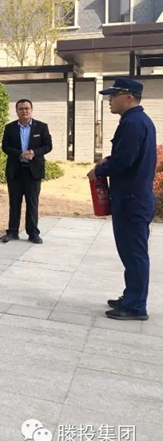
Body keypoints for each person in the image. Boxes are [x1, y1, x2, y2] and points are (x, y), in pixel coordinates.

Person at [88, 78, 157, 321]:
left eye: (113, 95)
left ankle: (136, 306)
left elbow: (125, 161)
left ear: (128, 97)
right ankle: (131, 297)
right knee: (130, 253)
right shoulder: (137, 120)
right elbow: (127, 156)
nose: (109, 100)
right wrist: (109, 159)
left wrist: (100, 171)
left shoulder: (133, 123)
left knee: (134, 254)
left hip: (131, 200)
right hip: (133, 197)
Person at [1, 99, 53, 244]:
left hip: (33, 171)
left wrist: (34, 153)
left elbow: (48, 146)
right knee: (14, 203)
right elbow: (5, 147)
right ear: (16, 111)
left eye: (27, 108)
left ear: (31, 110)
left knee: (32, 203)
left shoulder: (41, 127)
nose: (24, 111)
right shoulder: (10, 128)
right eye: (21, 109)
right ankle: (12, 232)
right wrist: (20, 154)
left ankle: (33, 233)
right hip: (15, 171)